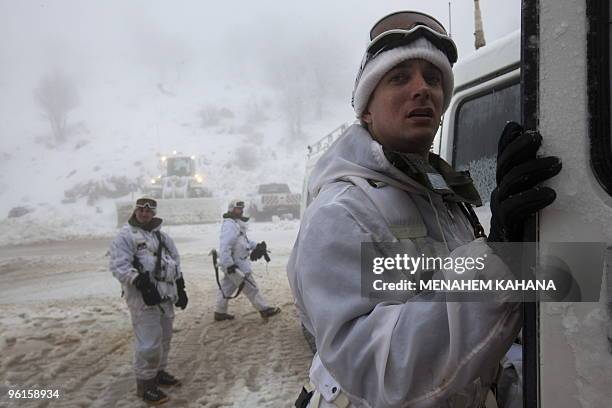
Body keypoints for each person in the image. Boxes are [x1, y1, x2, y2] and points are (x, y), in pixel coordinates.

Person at [287, 10, 562, 408]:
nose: (422, 89)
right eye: (400, 77)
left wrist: (582, 279)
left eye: (433, 79)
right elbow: (381, 372)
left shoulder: (444, 198)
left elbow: (471, 340)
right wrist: (499, 260)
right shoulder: (342, 212)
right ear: (365, 109)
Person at [110, 197, 188, 405]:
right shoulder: (125, 237)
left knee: (164, 338)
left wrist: (180, 287)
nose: (144, 214)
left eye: (149, 211)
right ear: (136, 211)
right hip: (142, 299)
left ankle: (159, 373)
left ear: (153, 214)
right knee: (149, 343)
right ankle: (145, 385)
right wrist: (142, 284)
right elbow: (119, 266)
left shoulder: (161, 237)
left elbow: (175, 261)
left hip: (165, 296)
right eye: (141, 210)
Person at [213, 199, 281, 321]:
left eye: (241, 208)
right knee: (251, 288)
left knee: (226, 288)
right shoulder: (230, 225)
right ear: (231, 209)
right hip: (236, 265)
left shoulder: (236, 224)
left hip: (237, 263)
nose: (241, 211)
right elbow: (225, 246)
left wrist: (257, 246)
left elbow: (243, 241)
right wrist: (229, 265)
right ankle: (264, 309)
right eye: (238, 208)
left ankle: (219, 312)